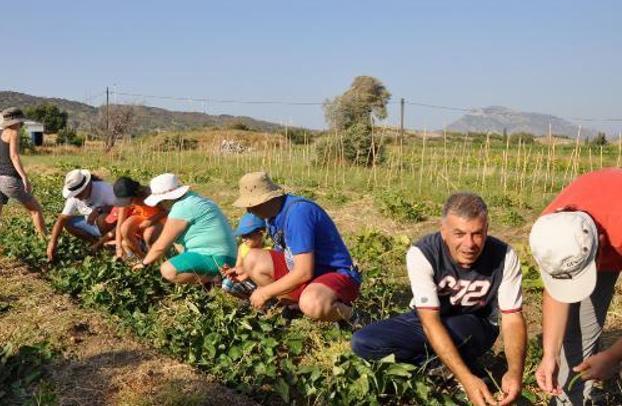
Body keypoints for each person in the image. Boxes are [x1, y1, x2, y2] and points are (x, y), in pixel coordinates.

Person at [351, 192, 526, 406]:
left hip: (474, 324)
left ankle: (445, 368)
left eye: (477, 234)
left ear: (487, 230)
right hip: (429, 319)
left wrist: (514, 371)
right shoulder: (423, 253)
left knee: (457, 330)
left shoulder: (504, 256)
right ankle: (449, 370)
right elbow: (429, 321)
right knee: (364, 342)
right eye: (459, 234)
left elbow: (512, 318)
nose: (469, 244)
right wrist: (466, 378)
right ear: (444, 231)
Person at [530, 169, 622, 405]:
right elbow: (556, 290)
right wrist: (550, 354)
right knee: (575, 332)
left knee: (591, 333)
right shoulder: (551, 230)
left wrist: (613, 356)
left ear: (599, 247)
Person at [228, 171, 363, 323]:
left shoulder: (298, 214)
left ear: (267, 200)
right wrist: (244, 273)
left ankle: (352, 315)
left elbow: (304, 272)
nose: (249, 211)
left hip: (335, 274)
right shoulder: (272, 215)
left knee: (313, 304)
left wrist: (265, 292)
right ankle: (295, 306)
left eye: (252, 205)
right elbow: (286, 254)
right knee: (252, 259)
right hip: (308, 272)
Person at [136, 173, 237, 284]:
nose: (160, 205)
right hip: (225, 255)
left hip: (216, 258)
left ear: (166, 199)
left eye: (159, 202)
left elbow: (160, 246)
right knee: (176, 241)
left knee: (167, 270)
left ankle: (216, 279)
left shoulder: (182, 208)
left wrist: (144, 264)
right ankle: (209, 278)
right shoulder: (192, 198)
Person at [0, 108, 46, 237]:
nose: (21, 125)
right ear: (16, 122)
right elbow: (14, 156)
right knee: (36, 210)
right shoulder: (13, 133)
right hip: (9, 179)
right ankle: (44, 242)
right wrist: (24, 178)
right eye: (20, 122)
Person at [46, 169, 127, 261]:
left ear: (87, 186)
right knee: (67, 222)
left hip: (111, 226)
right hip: (90, 224)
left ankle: (109, 242)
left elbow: (122, 208)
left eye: (79, 193)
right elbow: (62, 219)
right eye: (74, 194)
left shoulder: (104, 189)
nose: (76, 196)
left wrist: (99, 210)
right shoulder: (74, 197)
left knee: (102, 219)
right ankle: (96, 243)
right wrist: (52, 242)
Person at [104, 176, 166, 261]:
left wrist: (149, 221)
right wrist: (118, 248)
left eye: (129, 201)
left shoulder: (149, 194)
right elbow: (120, 224)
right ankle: (142, 256)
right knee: (124, 228)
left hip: (160, 218)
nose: (127, 204)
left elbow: (165, 211)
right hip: (143, 217)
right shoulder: (126, 199)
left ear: (136, 193)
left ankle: (154, 257)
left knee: (148, 234)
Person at [221, 212, 270, 299]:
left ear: (260, 234)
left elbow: (252, 272)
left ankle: (261, 300)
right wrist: (232, 272)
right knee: (226, 284)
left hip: (259, 283)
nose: (244, 240)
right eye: (242, 236)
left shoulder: (267, 252)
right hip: (244, 280)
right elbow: (238, 266)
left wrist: (241, 276)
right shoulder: (242, 248)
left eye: (248, 236)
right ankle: (248, 299)